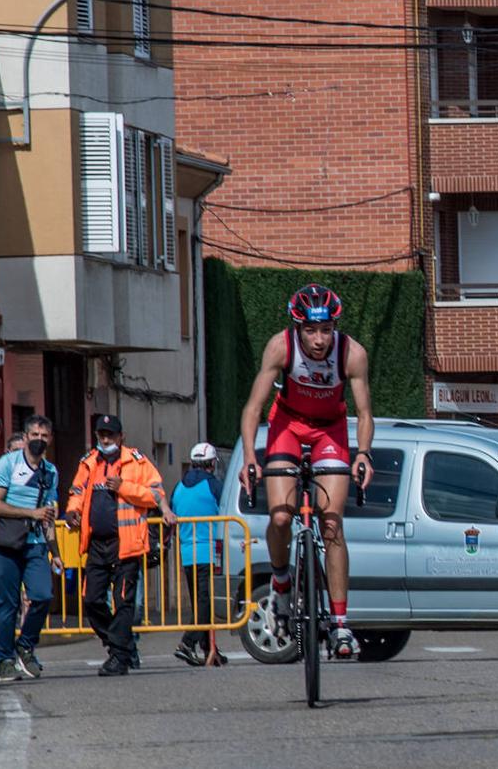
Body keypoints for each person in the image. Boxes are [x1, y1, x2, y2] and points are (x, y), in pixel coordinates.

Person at [238, 284, 374, 659]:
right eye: (311, 331)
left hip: (330, 428)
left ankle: (342, 624)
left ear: (335, 328)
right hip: (287, 425)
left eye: (326, 330)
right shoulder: (280, 347)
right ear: (297, 328)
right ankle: (281, 583)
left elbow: (364, 413)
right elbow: (253, 407)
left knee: (331, 523)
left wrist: (363, 453)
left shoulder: (352, 354)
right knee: (281, 517)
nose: (318, 340)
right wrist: (250, 454)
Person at [65, 414, 174, 676]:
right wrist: (72, 511)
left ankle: (119, 657)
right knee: (91, 599)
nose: (105, 439)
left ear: (120, 437)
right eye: (101, 434)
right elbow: (76, 492)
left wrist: (124, 487)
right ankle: (120, 646)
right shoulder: (88, 462)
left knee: (124, 602)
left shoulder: (136, 461)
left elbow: (156, 494)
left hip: (127, 544)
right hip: (97, 544)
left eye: (110, 435)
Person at [0, 415, 61, 681]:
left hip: (36, 545)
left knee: (42, 595)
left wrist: (56, 552)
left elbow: (49, 515)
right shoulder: (8, 464)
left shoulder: (51, 472)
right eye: (34, 435)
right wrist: (30, 513)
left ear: (49, 439)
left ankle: (25, 646)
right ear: (26, 436)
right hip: (6, 544)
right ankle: (6, 658)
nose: (39, 440)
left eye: (44, 436)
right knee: (7, 605)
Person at [172, 442, 227, 666]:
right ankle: (187, 643)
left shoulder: (179, 487)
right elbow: (224, 509)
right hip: (208, 550)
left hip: (186, 552)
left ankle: (209, 649)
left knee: (200, 602)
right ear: (212, 464)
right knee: (205, 602)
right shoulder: (214, 485)